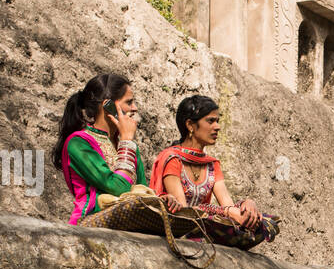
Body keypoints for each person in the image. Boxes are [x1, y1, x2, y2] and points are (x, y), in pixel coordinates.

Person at [150, 95, 279, 251]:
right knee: (199, 222)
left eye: (217, 121)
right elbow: (183, 212)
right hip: (181, 228)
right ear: (190, 125)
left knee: (263, 222)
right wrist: (229, 211)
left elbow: (227, 205)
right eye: (210, 121)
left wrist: (246, 206)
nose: (217, 127)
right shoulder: (172, 159)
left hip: (205, 228)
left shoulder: (212, 164)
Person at [52, 73, 151, 224]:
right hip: (90, 227)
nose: (135, 108)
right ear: (108, 106)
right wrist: (126, 141)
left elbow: (143, 192)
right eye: (129, 102)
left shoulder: (131, 147)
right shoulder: (78, 143)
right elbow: (119, 189)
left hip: (130, 226)